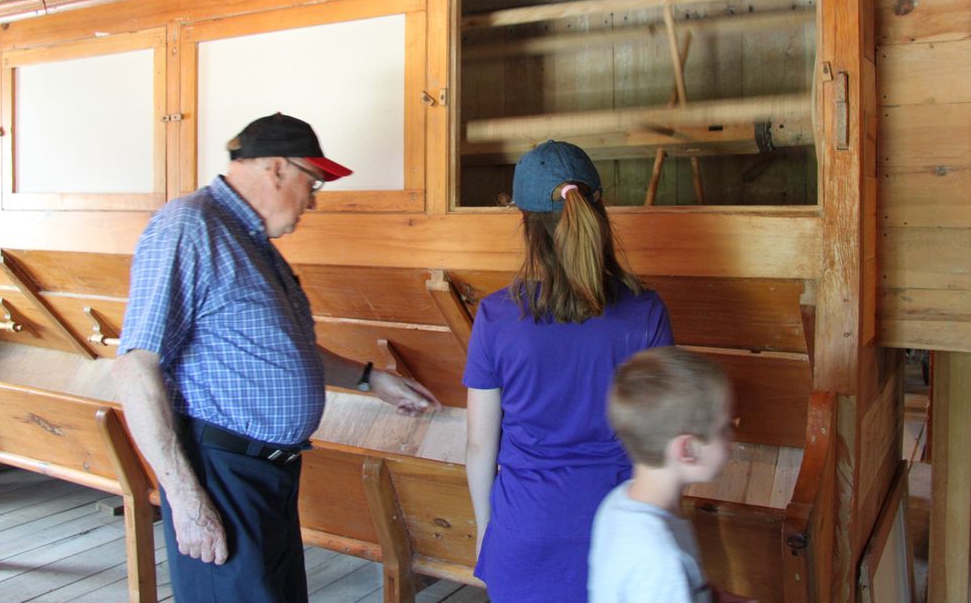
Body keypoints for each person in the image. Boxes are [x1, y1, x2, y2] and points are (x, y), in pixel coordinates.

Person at [114, 112, 441, 603]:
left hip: (269, 476)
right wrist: (184, 499)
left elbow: (286, 353)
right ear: (277, 170)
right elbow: (136, 365)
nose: (313, 199)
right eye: (313, 183)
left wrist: (370, 378)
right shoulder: (189, 225)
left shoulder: (251, 239)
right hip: (221, 475)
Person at [463, 140, 674, 603]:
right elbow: (660, 446)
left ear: (524, 220)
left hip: (524, 530)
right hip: (622, 529)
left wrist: (486, 533)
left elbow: (481, 445)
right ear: (599, 207)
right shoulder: (647, 312)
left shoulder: (495, 316)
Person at [589, 347, 750, 603]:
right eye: (724, 429)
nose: (732, 437)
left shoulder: (617, 502)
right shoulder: (660, 561)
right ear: (687, 450)